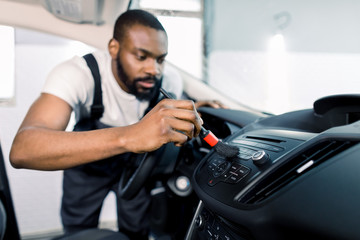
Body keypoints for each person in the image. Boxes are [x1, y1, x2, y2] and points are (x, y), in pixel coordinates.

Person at [9, 9, 224, 240]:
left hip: (134, 169)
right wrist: (130, 136)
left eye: (160, 59)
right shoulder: (79, 74)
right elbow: (23, 149)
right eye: (141, 57)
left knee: (136, 231)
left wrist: (196, 109)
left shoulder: (169, 79)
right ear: (114, 48)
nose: (154, 70)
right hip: (87, 169)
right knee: (80, 231)